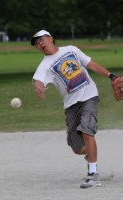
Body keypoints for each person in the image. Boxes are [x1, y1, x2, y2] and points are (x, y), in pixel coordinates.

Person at [31, 30, 117, 189]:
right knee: (77, 148)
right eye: (37, 43)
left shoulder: (70, 49)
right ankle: (90, 155)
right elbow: (37, 79)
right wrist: (38, 86)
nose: (40, 44)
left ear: (50, 38)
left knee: (87, 131)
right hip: (71, 105)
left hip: (89, 96)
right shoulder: (44, 65)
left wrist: (112, 76)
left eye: (42, 39)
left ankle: (93, 175)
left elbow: (91, 64)